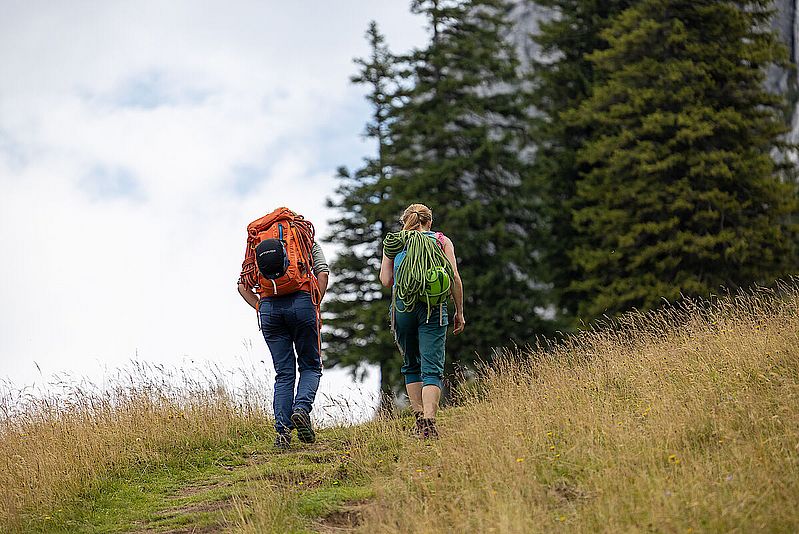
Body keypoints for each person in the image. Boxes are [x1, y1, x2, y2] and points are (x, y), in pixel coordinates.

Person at [237, 208, 329, 450]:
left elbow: (242, 285)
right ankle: (301, 409)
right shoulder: (301, 234)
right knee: (310, 365)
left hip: (269, 307)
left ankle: (282, 434)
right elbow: (323, 273)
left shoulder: (257, 239)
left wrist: (260, 307)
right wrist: (314, 303)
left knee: (284, 373)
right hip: (302, 302)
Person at [379, 203, 464, 439]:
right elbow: (454, 276)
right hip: (434, 308)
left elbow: (386, 280)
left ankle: (418, 420)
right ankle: (429, 420)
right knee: (432, 368)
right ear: (429, 221)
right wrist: (460, 311)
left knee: (411, 364)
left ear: (405, 221)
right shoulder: (441, 241)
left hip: (402, 308)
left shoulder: (394, 242)